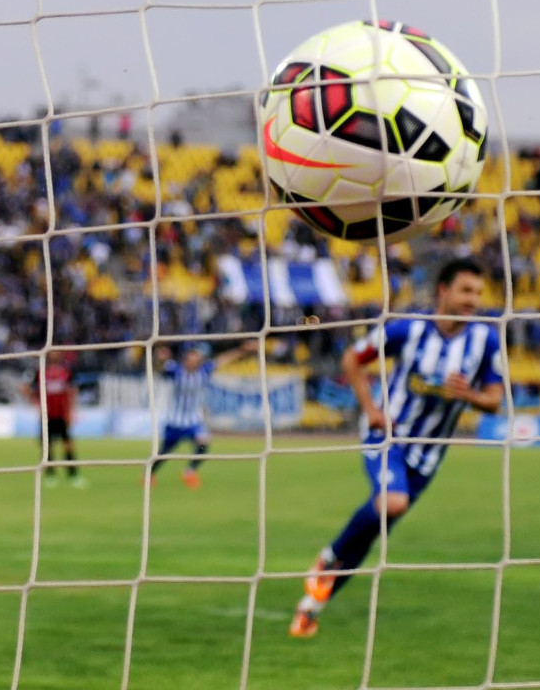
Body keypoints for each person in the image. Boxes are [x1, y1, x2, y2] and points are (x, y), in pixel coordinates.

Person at [289, 258, 505, 638]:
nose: (474, 300)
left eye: (479, 293)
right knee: (392, 503)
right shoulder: (409, 329)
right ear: (444, 291)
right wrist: (371, 408)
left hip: (428, 457)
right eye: (466, 291)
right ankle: (325, 560)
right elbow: (353, 359)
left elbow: (495, 399)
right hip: (388, 433)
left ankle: (311, 607)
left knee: (375, 529)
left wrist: (468, 394)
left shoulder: (485, 341)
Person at [147, 339, 258, 489]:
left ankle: (190, 471)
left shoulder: (204, 371)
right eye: (189, 358)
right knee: (164, 452)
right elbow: (159, 367)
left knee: (203, 443)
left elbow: (224, 359)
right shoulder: (176, 370)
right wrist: (159, 357)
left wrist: (242, 350)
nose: (191, 362)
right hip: (175, 421)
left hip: (193, 420)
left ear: (199, 361)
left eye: (195, 359)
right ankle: (149, 474)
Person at [24, 352, 84, 488]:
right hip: (47, 415)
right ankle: (50, 475)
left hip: (62, 415)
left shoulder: (67, 371)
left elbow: (72, 390)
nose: (54, 355)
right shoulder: (40, 371)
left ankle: (73, 475)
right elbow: (25, 387)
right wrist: (35, 401)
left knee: (68, 444)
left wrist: (71, 411)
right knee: (47, 446)